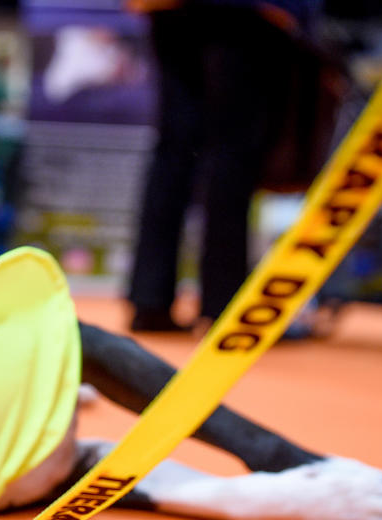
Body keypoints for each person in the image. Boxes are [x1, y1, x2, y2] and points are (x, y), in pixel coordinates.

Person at [126, 0, 322, 331]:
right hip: (242, 10)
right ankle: (222, 306)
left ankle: (149, 301)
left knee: (173, 146)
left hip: (166, 6)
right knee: (232, 149)